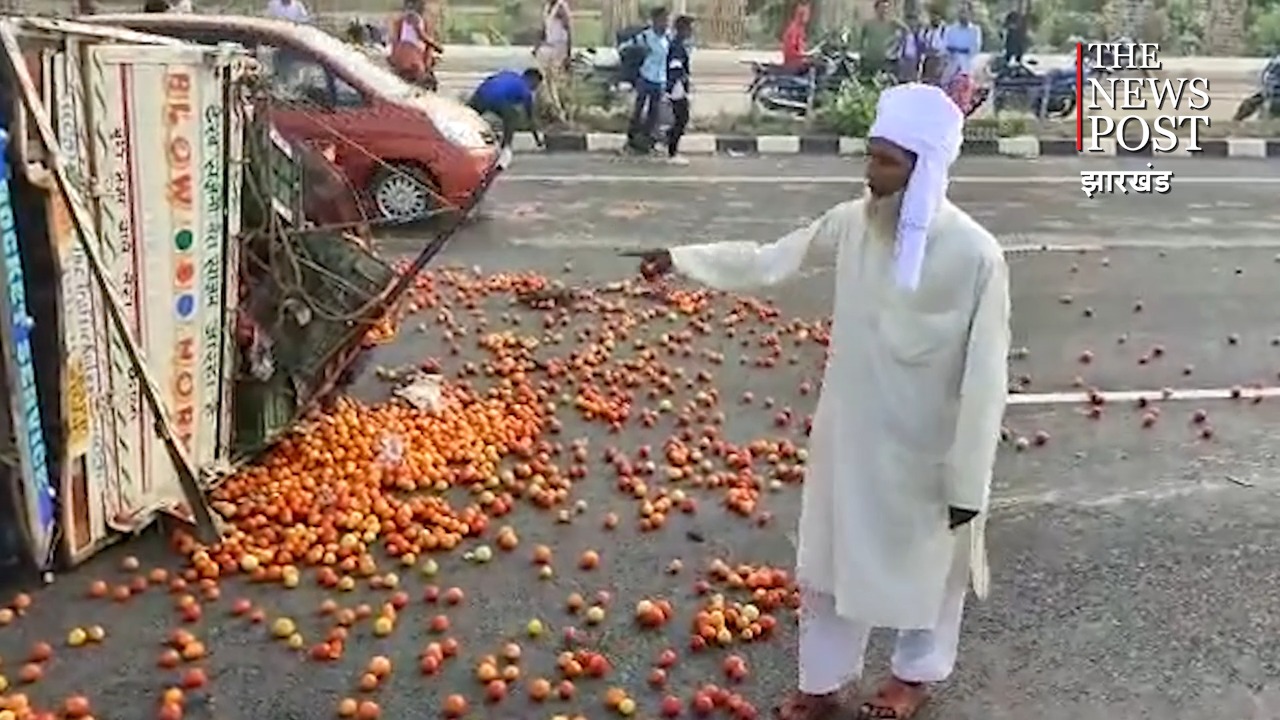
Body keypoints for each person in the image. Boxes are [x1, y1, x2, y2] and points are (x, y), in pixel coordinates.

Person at [627, 82, 1010, 720]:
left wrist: (969, 479)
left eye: (887, 160)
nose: (871, 172)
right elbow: (770, 260)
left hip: (929, 453)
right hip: (851, 440)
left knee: (930, 571)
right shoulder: (853, 223)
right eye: (871, 155)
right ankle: (822, 684)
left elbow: (987, 377)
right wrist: (682, 258)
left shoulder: (976, 256)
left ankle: (912, 678)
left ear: (926, 166)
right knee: (829, 565)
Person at [619, 6, 671, 154]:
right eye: (662, 20)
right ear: (654, 21)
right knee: (639, 110)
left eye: (666, 20)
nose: (665, 23)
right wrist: (638, 51)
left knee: (654, 114)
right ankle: (631, 140)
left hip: (660, 80)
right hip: (646, 77)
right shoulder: (646, 37)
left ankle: (647, 142)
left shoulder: (667, 37)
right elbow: (624, 47)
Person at [469, 68, 545, 166]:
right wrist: (538, 140)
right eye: (536, 85)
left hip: (482, 92)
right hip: (497, 98)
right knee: (512, 117)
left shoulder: (510, 74)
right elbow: (530, 119)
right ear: (533, 79)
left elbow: (492, 79)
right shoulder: (526, 90)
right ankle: (505, 147)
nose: (535, 88)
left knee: (471, 115)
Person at [389, 0, 443, 90]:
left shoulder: (405, 19)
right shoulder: (413, 17)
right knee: (420, 80)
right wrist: (436, 46)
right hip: (411, 53)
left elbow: (395, 40)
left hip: (407, 53)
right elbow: (421, 35)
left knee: (410, 81)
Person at [940, 3, 981, 111]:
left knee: (964, 97)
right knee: (947, 94)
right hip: (951, 67)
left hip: (966, 68)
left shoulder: (975, 30)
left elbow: (974, 49)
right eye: (961, 12)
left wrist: (957, 49)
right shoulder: (951, 29)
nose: (963, 15)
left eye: (965, 12)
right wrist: (955, 50)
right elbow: (944, 47)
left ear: (970, 14)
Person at [665, 14, 694, 165]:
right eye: (689, 28)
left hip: (678, 86)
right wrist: (675, 87)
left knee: (680, 118)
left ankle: (669, 142)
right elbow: (675, 68)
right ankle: (672, 151)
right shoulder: (677, 46)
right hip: (677, 87)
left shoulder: (679, 44)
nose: (691, 31)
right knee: (681, 118)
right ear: (682, 29)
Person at [858, 0, 900, 78]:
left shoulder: (893, 24)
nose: (884, 10)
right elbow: (860, 39)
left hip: (885, 61)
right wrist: (861, 53)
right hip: (869, 60)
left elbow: (907, 32)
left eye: (886, 8)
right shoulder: (869, 24)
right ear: (876, 9)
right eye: (882, 7)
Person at [893, 12, 930, 82]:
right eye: (909, 21)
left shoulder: (919, 36)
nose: (912, 24)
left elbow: (923, 48)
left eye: (914, 21)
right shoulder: (901, 34)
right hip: (902, 61)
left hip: (913, 61)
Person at [780, 2, 810, 73]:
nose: (807, 17)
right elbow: (790, 50)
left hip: (798, 62)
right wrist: (804, 55)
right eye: (805, 14)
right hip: (794, 65)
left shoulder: (800, 29)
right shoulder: (794, 30)